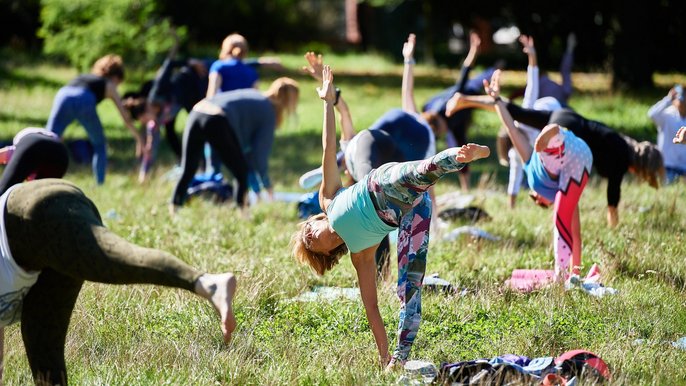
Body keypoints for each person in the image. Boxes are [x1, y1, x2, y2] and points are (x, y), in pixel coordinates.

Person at [292, 65, 490, 368]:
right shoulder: (362, 255)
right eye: (309, 241)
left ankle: (458, 157)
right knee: (409, 290)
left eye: (307, 227)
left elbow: (327, 147)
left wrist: (328, 102)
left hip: (383, 182)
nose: (309, 231)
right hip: (412, 211)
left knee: (420, 171)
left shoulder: (329, 200)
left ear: (317, 218)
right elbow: (372, 309)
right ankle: (396, 358)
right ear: (327, 254)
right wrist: (381, 354)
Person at [0, 179, 237, 385]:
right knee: (46, 361)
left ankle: (207, 283)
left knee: (114, 259)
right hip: (37, 234)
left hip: (27, 214)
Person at [300, 35, 437, 278]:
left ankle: (358, 176)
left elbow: (341, 116)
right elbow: (407, 92)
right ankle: (360, 179)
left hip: (375, 153)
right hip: (384, 154)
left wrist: (330, 95)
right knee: (373, 200)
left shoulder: (352, 157)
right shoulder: (414, 123)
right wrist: (408, 61)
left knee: (361, 172)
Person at [447, 88, 664, 228]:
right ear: (643, 166)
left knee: (514, 112)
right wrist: (613, 227)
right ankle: (539, 189)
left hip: (567, 117)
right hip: (567, 129)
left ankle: (465, 99)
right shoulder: (621, 158)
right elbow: (612, 199)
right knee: (525, 131)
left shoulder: (622, 143)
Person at [485, 69, 592, 281]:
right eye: (541, 203)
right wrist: (576, 271)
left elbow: (511, 129)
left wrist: (498, 102)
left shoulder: (529, 166)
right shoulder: (562, 193)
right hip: (575, 160)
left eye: (537, 200)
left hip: (565, 152)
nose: (537, 199)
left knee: (546, 158)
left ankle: (554, 133)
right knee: (562, 213)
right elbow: (575, 234)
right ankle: (554, 134)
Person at [171, 77, 299, 212]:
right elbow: (258, 156)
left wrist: (256, 185)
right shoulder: (268, 111)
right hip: (216, 118)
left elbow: (248, 152)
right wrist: (266, 184)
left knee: (188, 169)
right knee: (240, 172)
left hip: (197, 112)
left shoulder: (254, 95)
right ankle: (243, 213)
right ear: (289, 100)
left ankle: (174, 208)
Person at [46, 54, 145, 185]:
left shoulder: (85, 77)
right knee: (99, 145)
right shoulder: (108, 84)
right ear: (115, 77)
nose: (117, 87)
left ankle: (38, 176)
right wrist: (139, 139)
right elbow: (125, 117)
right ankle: (100, 183)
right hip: (84, 100)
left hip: (63, 95)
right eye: (118, 83)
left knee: (47, 139)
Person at [421, 31, 499, 190]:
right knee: (461, 148)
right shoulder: (449, 125)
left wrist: (473, 51)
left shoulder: (447, 105)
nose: (443, 134)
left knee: (484, 79)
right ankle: (466, 187)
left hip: (468, 92)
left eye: (440, 132)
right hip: (462, 114)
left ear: (438, 123)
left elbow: (463, 77)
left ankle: (497, 67)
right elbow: (460, 153)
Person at [503, 35, 564, 208]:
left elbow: (532, 86)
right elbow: (514, 175)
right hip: (545, 128)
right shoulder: (517, 150)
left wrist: (532, 54)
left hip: (551, 107)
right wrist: (511, 206)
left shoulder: (523, 117)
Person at [206, 33, 283, 98]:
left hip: (224, 111)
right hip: (244, 113)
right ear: (245, 52)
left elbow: (211, 94)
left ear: (225, 49)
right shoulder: (252, 71)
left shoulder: (218, 66)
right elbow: (255, 98)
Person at [0, 128, 69, 194]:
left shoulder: (21, 146)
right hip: (61, 154)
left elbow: (3, 155)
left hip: (33, 142)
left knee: (3, 191)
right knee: (42, 198)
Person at [647, 85, 686, 183]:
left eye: (684, 101)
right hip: (667, 167)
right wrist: (667, 100)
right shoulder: (667, 115)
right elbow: (651, 114)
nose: (681, 103)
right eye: (679, 100)